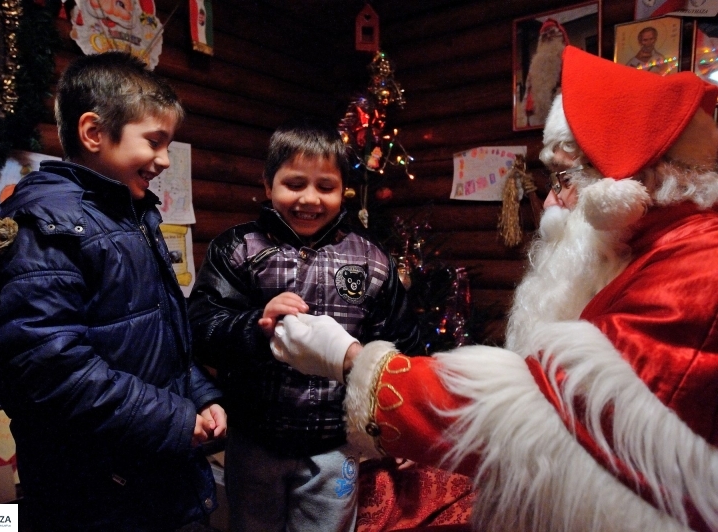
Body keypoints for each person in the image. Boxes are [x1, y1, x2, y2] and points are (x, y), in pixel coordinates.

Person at [270, 46, 718, 532]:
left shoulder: (694, 271)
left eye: (565, 178)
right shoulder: (663, 247)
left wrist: (353, 360)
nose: (552, 200)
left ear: (624, 187)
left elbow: (545, 420)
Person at [0, 51, 226, 532]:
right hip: (94, 496)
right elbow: (53, 370)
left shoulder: (133, 215)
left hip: (157, 475)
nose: (164, 160)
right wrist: (177, 421)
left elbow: (161, 338)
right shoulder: (44, 226)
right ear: (94, 133)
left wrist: (200, 395)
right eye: (155, 142)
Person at [187, 117, 423, 532]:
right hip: (254, 438)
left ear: (342, 190)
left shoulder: (372, 259)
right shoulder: (239, 248)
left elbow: (401, 344)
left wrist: (401, 425)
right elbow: (201, 328)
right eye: (294, 184)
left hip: (336, 444)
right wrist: (254, 326)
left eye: (325, 187)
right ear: (267, 185)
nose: (309, 199)